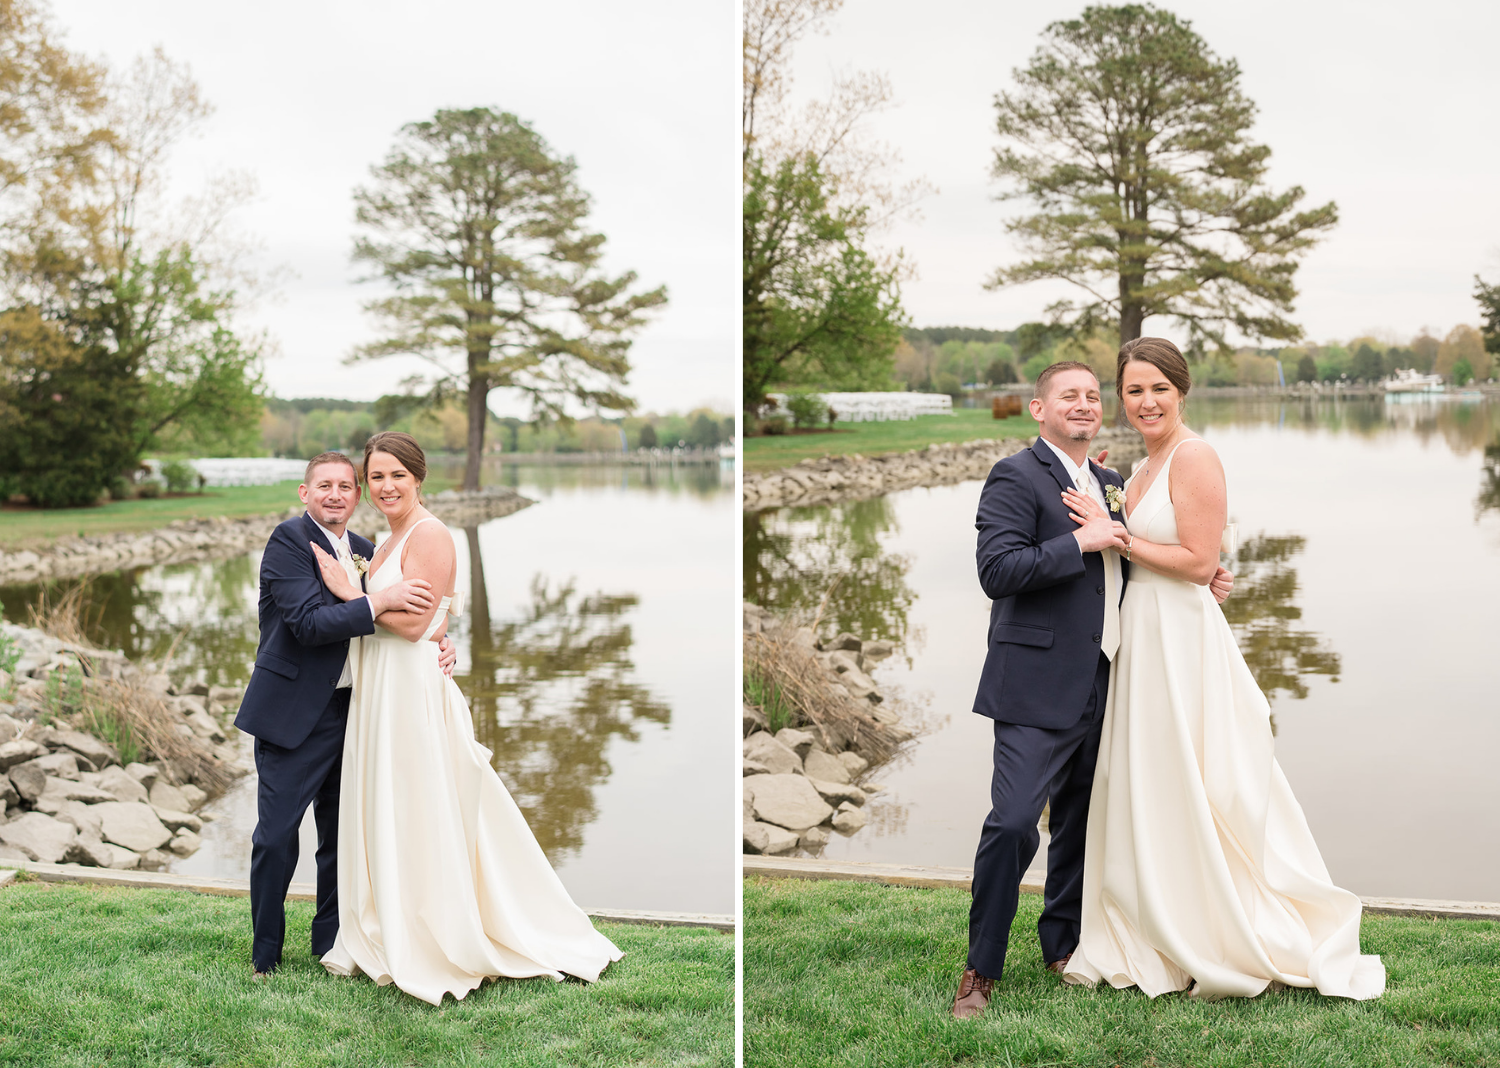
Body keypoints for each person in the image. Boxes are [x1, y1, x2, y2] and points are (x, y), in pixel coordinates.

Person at [1060, 338, 1384, 1000]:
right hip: (1144, 636)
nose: (1146, 401)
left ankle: (1214, 925)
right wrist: (1122, 531)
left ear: (1181, 391)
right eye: (1133, 390)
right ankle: (1154, 917)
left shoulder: (1195, 455)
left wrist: (1118, 533)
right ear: (1122, 399)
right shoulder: (1139, 468)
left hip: (1181, 639)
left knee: (1203, 776)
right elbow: (1167, 554)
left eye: (1158, 388)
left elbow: (1200, 561)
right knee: (1153, 777)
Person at [952, 362, 1233, 1019]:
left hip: (1110, 680)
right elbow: (997, 571)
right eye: (1067, 397)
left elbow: (1131, 563)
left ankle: (1065, 945)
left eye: (1090, 396)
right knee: (1016, 821)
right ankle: (980, 969)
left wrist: (1207, 573)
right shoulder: (1015, 476)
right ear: (1038, 409)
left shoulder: (1109, 482)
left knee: (1081, 825)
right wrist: (1079, 539)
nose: (1083, 405)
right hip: (1035, 682)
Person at [310, 432, 622, 1005]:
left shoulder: (430, 534)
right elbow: (424, 621)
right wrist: (386, 606)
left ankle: (438, 931)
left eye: (396, 476)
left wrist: (345, 595)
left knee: (422, 805)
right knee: (395, 805)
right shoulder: (386, 538)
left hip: (408, 691)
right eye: (375, 477)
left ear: (418, 478)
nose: (385, 486)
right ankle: (389, 921)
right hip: (383, 688)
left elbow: (414, 627)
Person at [235, 452, 457, 978]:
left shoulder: (364, 551)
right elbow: (310, 624)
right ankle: (265, 954)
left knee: (342, 838)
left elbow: (416, 616)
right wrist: (377, 603)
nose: (336, 495)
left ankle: (331, 945)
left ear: (356, 497)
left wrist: (442, 642)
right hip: (293, 715)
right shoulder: (287, 542)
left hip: (358, 711)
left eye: (345, 486)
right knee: (275, 836)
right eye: (324, 486)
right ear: (304, 493)